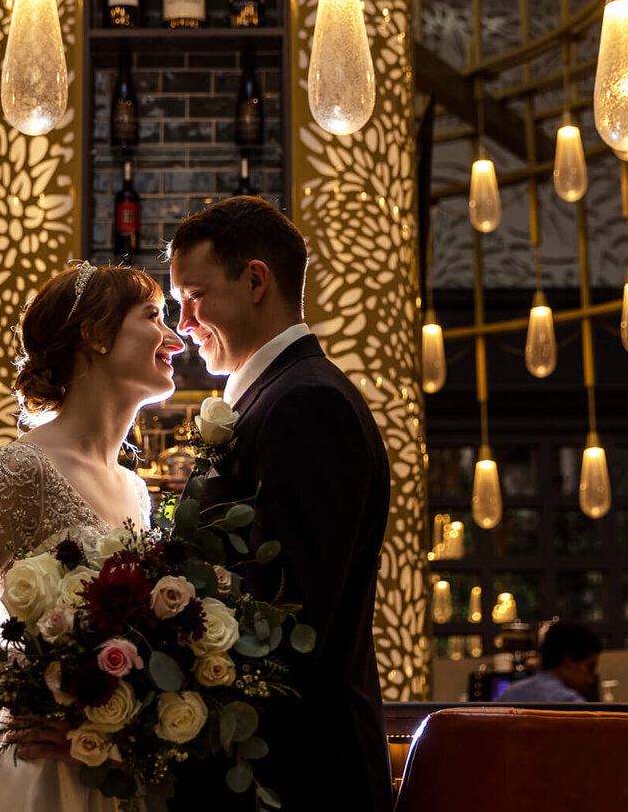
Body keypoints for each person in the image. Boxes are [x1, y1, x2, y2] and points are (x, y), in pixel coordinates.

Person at [0, 262, 185, 812]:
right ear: (96, 335)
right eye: (153, 316)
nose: (174, 339)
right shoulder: (22, 470)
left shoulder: (135, 489)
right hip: (36, 777)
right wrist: (53, 689)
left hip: (112, 769)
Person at [166, 196, 393, 811]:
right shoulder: (277, 396)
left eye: (193, 295)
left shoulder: (307, 406)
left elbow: (286, 621)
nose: (183, 322)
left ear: (256, 279)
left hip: (300, 777)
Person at [494, 622, 602, 703]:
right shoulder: (571, 704)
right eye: (590, 667)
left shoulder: (508, 695)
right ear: (568, 662)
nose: (590, 680)